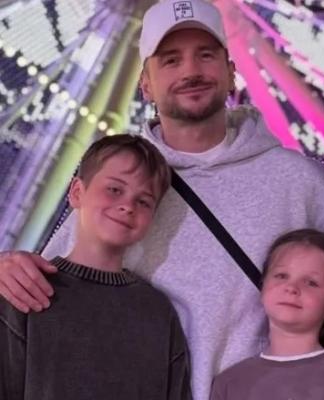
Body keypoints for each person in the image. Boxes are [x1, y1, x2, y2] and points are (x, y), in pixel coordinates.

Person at [0, 1, 324, 399]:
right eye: (171, 60)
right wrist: (9, 269)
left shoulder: (302, 183)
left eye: (205, 55)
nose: (190, 71)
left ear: (231, 72)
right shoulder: (124, 184)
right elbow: (50, 293)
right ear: (145, 84)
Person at [0, 134, 191, 400]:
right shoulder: (25, 290)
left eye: (144, 201)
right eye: (115, 189)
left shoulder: (158, 313)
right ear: (77, 192)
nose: (128, 206)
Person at [210, 229, 324, 400]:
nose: (291, 288)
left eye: (311, 283)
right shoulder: (229, 383)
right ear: (263, 288)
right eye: (281, 276)